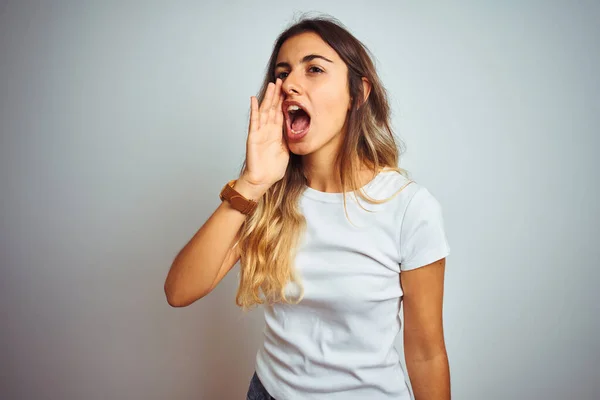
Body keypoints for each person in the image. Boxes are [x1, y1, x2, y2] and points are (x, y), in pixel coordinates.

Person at [164, 15, 451, 400]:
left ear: (358, 93)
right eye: (282, 74)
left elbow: (427, 353)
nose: (291, 85)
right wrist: (251, 182)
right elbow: (180, 290)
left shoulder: (409, 208)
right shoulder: (267, 196)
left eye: (314, 69)